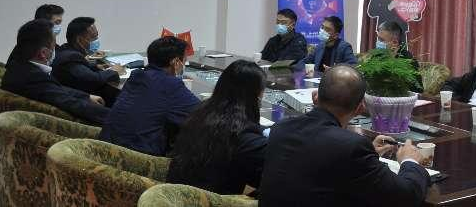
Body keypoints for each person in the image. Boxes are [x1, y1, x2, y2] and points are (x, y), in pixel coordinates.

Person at [259, 65, 430, 207]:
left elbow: (318, 164)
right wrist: (410, 161)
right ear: (360, 108)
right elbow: (406, 197)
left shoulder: (281, 129)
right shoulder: (351, 147)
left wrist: (369, 155)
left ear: (314, 97)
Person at [168, 60, 268, 195]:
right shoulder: (243, 134)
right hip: (211, 200)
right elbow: (264, 177)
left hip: (174, 194)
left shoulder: (200, 113)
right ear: (255, 96)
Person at [99, 36, 200, 156]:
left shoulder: (136, 76)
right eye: (184, 61)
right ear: (175, 62)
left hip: (105, 150)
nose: (184, 65)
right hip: (137, 158)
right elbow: (202, 113)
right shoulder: (170, 84)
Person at [1, 19, 109, 124]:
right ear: (43, 53)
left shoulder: (17, 66)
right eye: (53, 45)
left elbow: (55, 88)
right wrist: (115, 117)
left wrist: (86, 96)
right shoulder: (34, 78)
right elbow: (72, 104)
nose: (55, 49)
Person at [52, 16, 123, 106]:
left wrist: (96, 66)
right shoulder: (70, 57)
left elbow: (79, 67)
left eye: (97, 36)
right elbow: (93, 79)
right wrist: (114, 71)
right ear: (79, 40)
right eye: (93, 38)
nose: (96, 41)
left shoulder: (65, 49)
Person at [376, 20, 422, 92]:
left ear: (394, 42)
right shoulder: (377, 56)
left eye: (381, 40)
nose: (378, 42)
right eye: (378, 38)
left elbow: (418, 89)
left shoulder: (408, 60)